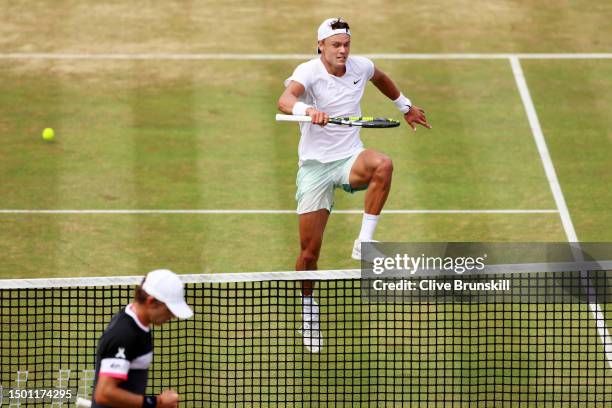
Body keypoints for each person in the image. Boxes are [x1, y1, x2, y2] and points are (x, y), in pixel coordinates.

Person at [277, 17, 431, 353]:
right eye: (335, 45)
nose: (342, 50)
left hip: (350, 159)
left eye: (346, 44)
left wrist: (404, 106)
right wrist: (308, 110)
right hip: (315, 168)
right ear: (321, 46)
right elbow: (285, 101)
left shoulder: (361, 67)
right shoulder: (308, 71)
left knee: (384, 164)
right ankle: (308, 309)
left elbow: (382, 79)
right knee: (308, 254)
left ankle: (364, 241)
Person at [91, 269, 193, 408]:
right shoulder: (125, 334)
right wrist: (157, 403)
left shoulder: (138, 324)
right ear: (151, 302)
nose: (173, 316)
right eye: (169, 309)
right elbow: (104, 393)